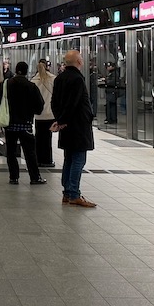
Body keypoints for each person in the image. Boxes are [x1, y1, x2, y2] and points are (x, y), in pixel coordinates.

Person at [51, 50, 96, 207]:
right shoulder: (77, 79)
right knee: (78, 159)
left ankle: (67, 192)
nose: (82, 60)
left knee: (68, 159)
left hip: (66, 125)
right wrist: (64, 120)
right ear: (78, 61)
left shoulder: (59, 78)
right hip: (78, 125)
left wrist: (60, 120)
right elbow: (74, 103)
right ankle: (74, 194)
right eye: (81, 58)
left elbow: (54, 102)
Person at [0, 62, 46, 185]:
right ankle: (35, 177)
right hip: (26, 124)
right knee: (30, 152)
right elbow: (39, 106)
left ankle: (13, 177)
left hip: (10, 124)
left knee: (11, 151)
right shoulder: (31, 86)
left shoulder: (6, 84)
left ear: (16, 70)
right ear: (26, 71)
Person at [33, 58, 56, 168]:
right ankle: (47, 160)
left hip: (38, 114)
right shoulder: (53, 79)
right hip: (50, 113)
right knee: (47, 138)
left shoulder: (33, 80)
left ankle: (38, 159)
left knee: (38, 137)